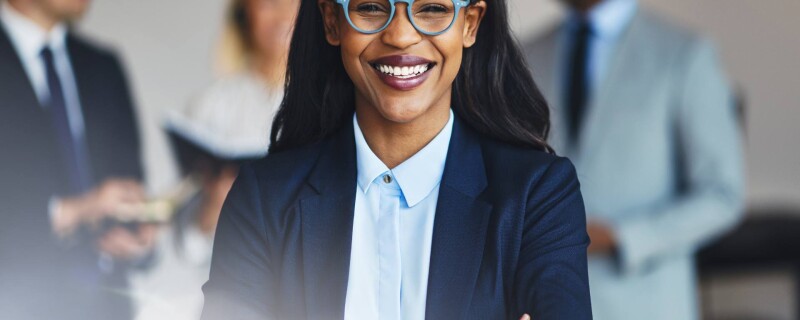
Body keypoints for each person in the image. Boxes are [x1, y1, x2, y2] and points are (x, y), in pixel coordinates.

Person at [202, 0, 593, 319]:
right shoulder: (263, 199)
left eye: (432, 9)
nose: (401, 36)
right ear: (332, 21)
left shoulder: (538, 196)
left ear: (470, 24)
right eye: (371, 7)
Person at [524, 0, 744, 319]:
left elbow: (722, 194)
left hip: (645, 302)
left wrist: (621, 237)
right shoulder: (524, 55)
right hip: (545, 302)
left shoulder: (684, 54)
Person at [125, 1, 300, 319]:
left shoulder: (335, 102)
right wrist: (211, 209)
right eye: (270, 3)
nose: (284, 15)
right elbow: (189, 246)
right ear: (244, 12)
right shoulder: (211, 105)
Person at [0, 0, 155, 319]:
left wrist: (138, 235)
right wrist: (76, 210)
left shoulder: (103, 66)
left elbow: (130, 183)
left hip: (107, 306)